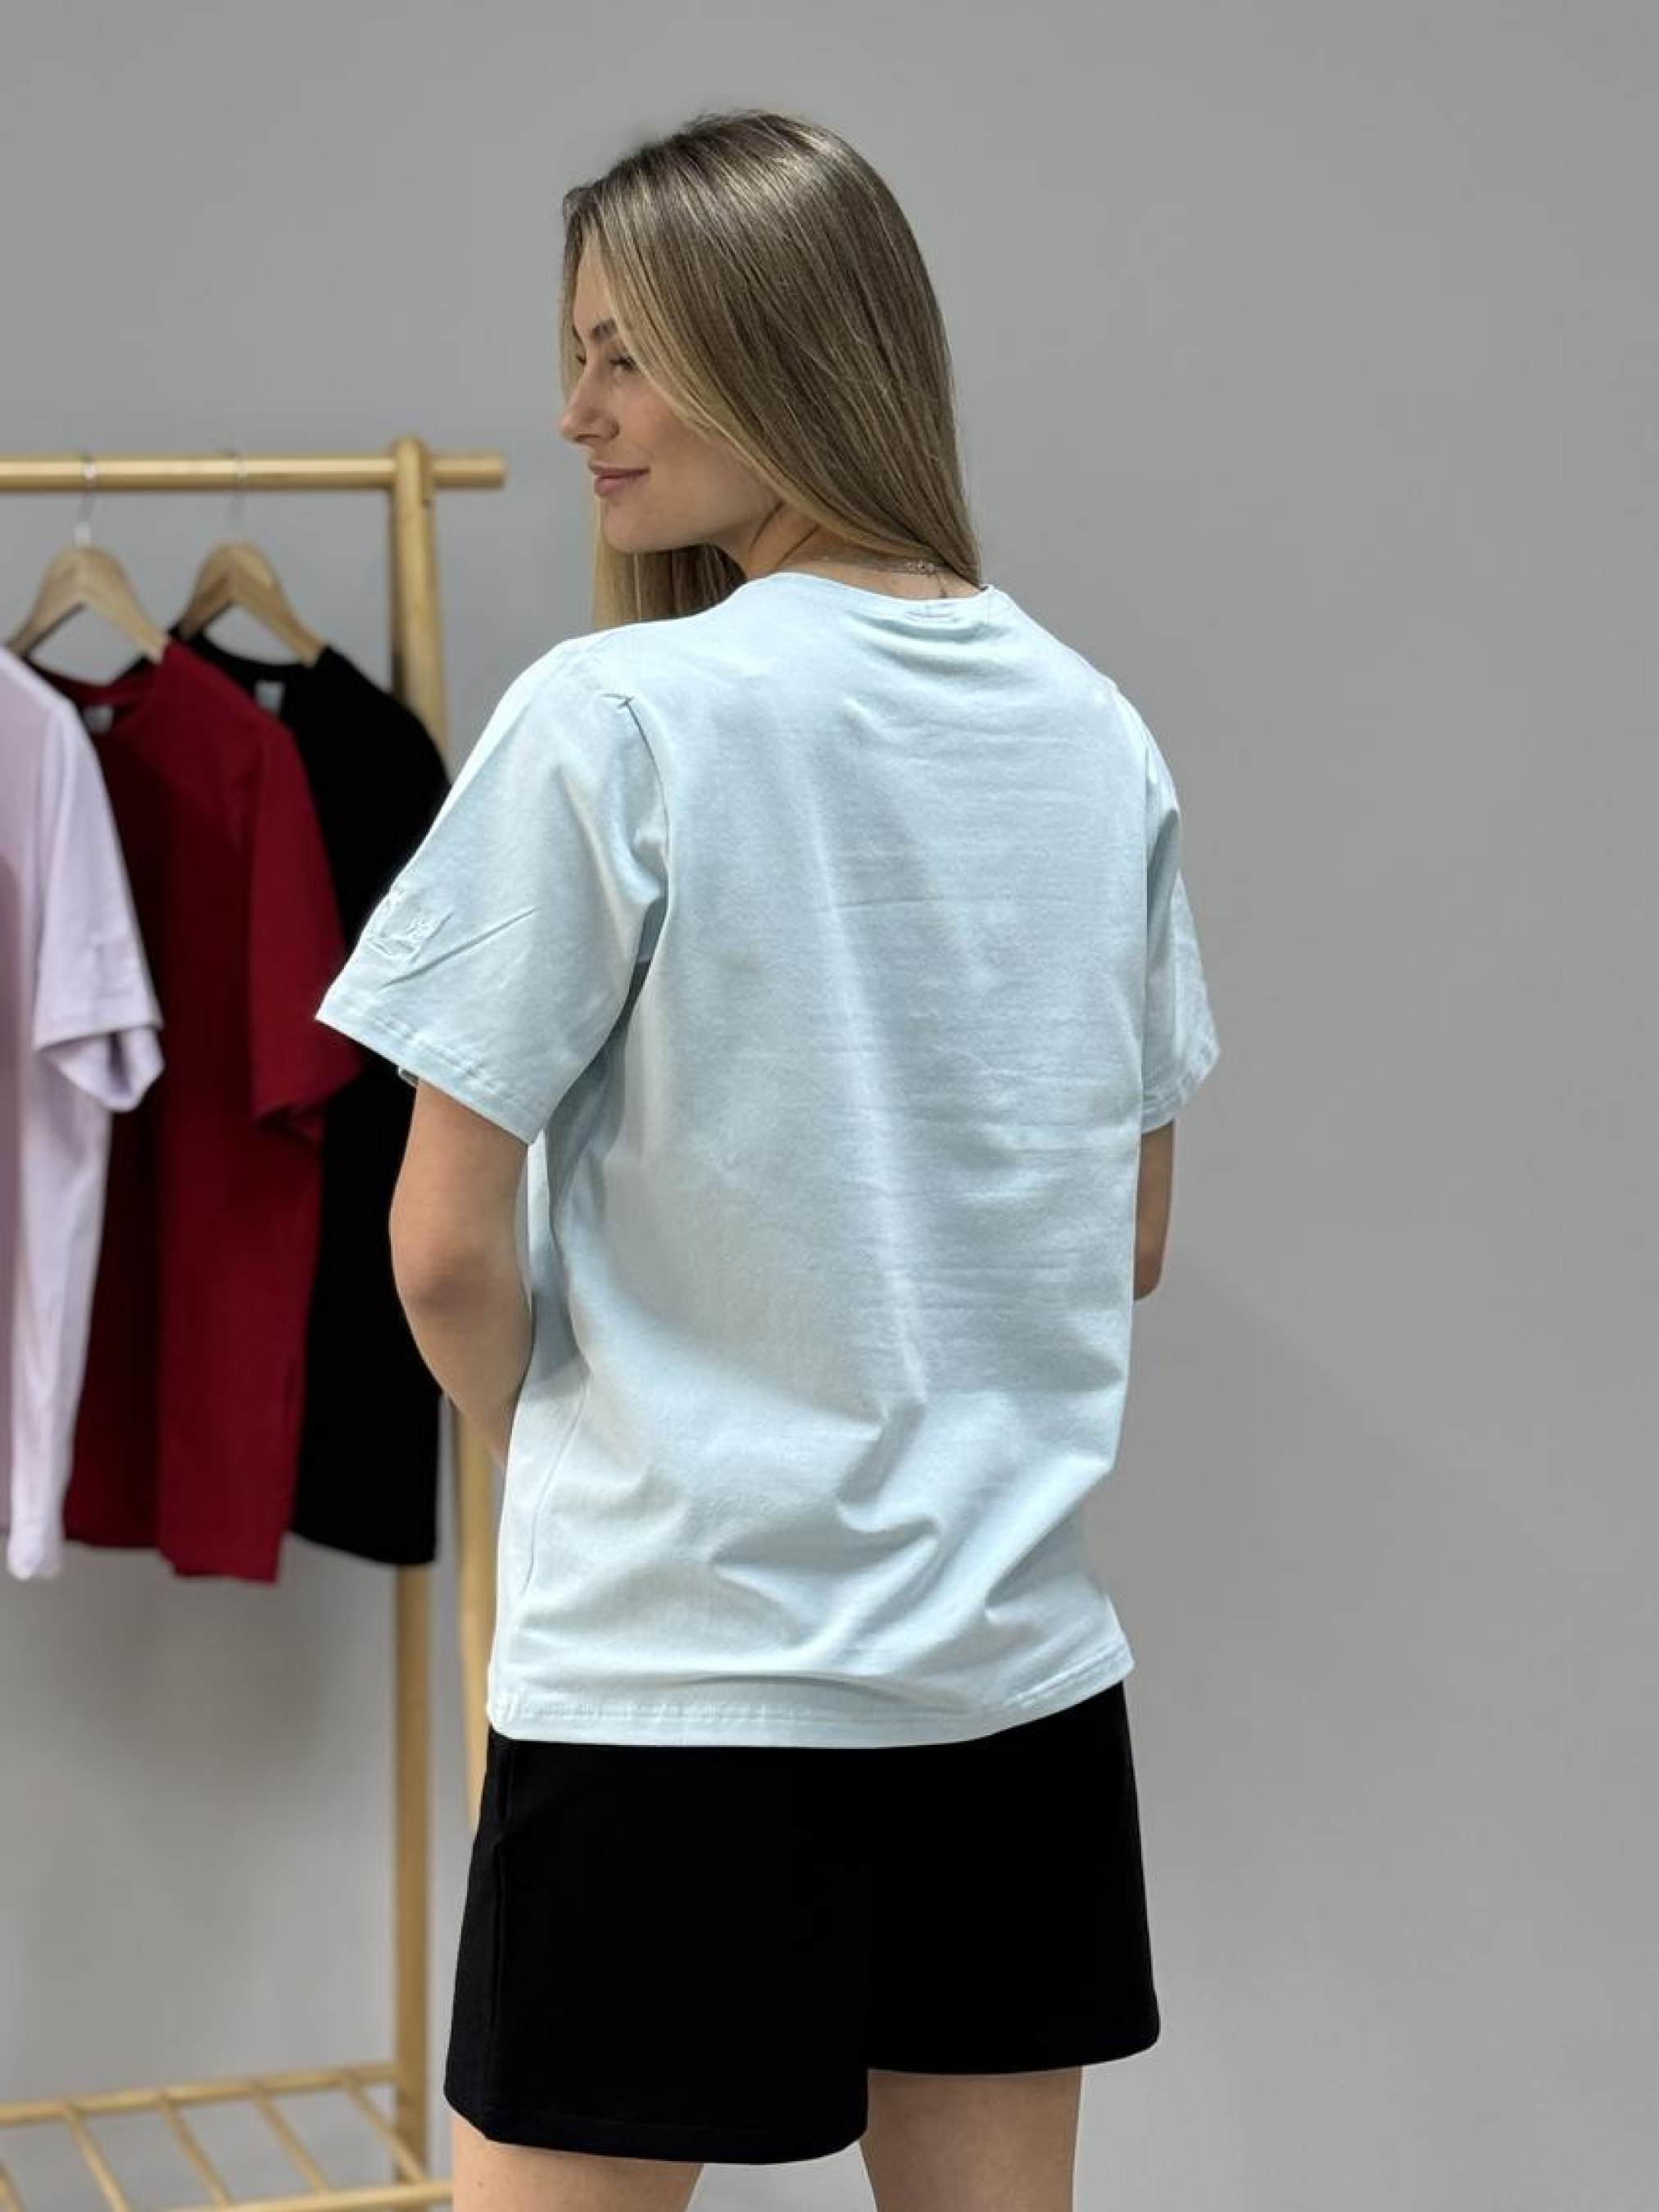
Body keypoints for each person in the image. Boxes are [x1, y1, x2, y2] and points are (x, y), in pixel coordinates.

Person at [317, 106, 1219, 2212]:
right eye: (576, 354)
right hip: (1006, 1682)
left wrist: (581, 1449)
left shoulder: (614, 719)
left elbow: (441, 1247)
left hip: (671, 1682)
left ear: (785, 350)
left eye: (625, 353)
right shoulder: (1090, 729)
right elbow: (1124, 1235)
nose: (576, 414)